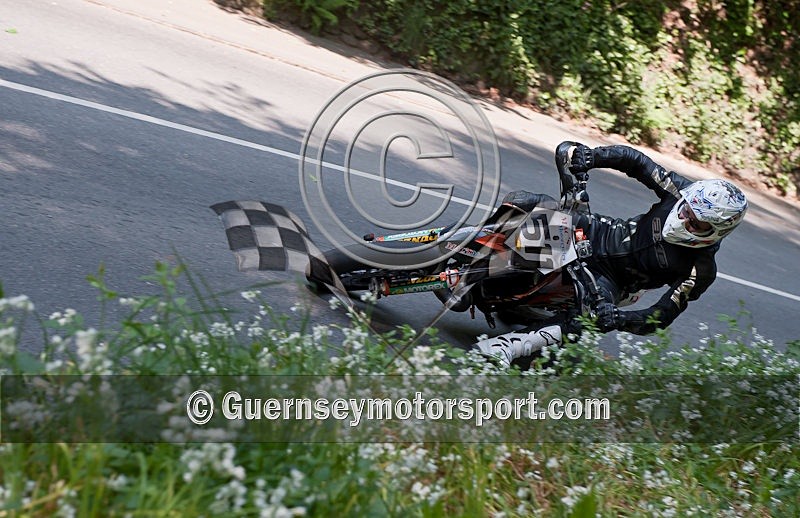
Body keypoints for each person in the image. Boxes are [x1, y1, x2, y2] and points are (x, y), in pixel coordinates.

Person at [474, 142, 749, 367]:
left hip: (612, 283)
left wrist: (619, 318)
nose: (684, 216)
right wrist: (593, 157)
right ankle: (472, 251)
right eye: (687, 208)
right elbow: (636, 161)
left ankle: (506, 347)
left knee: (591, 318)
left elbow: (661, 315)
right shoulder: (680, 191)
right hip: (596, 232)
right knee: (530, 203)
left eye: (694, 220)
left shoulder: (700, 270)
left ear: (715, 230)